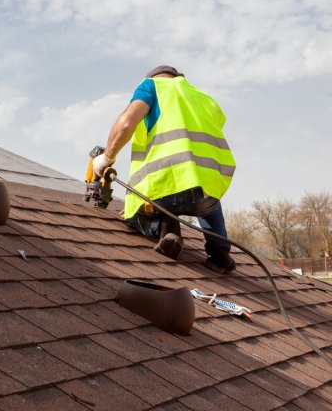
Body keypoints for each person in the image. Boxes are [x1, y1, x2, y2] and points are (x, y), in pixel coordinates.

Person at [93, 65, 236, 273]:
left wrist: (106, 158)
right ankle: (220, 254)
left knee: (133, 214)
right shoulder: (202, 97)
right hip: (208, 190)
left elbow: (126, 124)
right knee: (206, 197)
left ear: (155, 78)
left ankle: (167, 229)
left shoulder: (151, 87)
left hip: (166, 187)